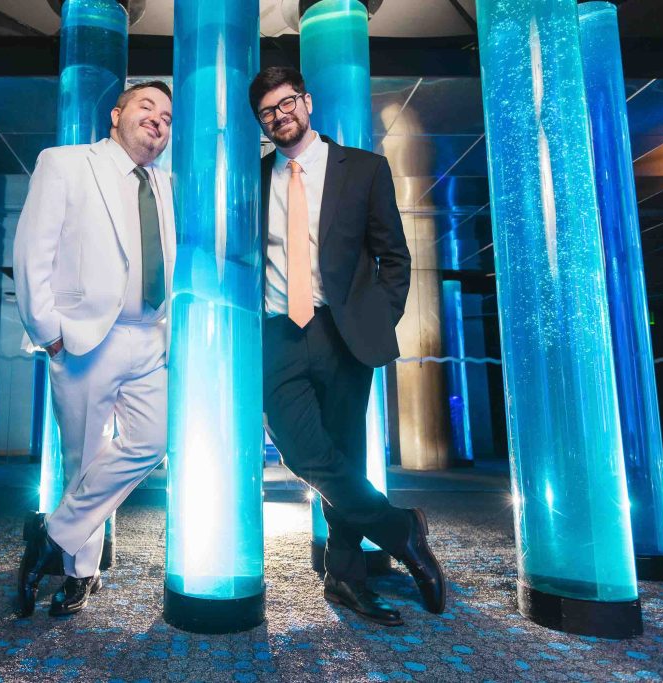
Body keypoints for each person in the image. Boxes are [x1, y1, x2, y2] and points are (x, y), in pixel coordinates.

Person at [250, 66, 446, 626]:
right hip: (279, 331)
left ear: (306, 102)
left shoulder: (363, 169)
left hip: (343, 331)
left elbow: (394, 257)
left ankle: (345, 577)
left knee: (345, 450)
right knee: (302, 449)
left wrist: (376, 316)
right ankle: (399, 529)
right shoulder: (256, 177)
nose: (280, 116)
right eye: (267, 111)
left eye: (286, 103)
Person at [13, 81, 174, 617]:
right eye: (147, 107)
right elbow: (33, 248)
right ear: (117, 115)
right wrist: (49, 332)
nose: (159, 119)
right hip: (84, 338)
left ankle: (53, 535)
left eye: (168, 117)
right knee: (82, 458)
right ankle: (80, 573)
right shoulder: (66, 163)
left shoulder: (167, 184)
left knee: (153, 441)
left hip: (150, 336)